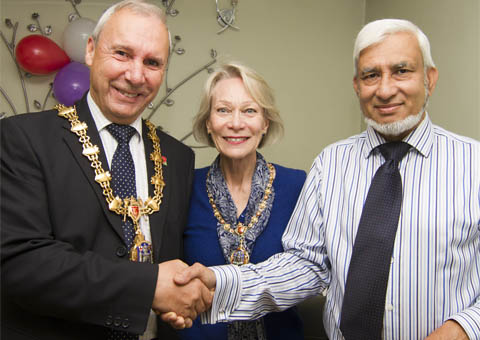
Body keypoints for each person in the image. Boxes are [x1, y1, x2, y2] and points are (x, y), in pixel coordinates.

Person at [164, 19, 480, 340]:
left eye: (401, 71)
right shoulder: (331, 164)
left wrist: (462, 329)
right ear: (357, 85)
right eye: (371, 75)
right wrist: (224, 283)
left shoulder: (474, 166)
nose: (385, 90)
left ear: (430, 78)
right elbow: (307, 265)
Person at [0, 1, 212, 340]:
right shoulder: (23, 138)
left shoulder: (179, 157)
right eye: (123, 54)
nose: (135, 75)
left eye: (152, 62)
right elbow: (21, 264)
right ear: (91, 49)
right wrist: (148, 287)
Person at [179, 63, 306, 340]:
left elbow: (310, 272)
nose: (236, 123)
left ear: (265, 123)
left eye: (249, 110)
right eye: (223, 110)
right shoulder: (183, 188)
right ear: (208, 123)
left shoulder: (298, 186)